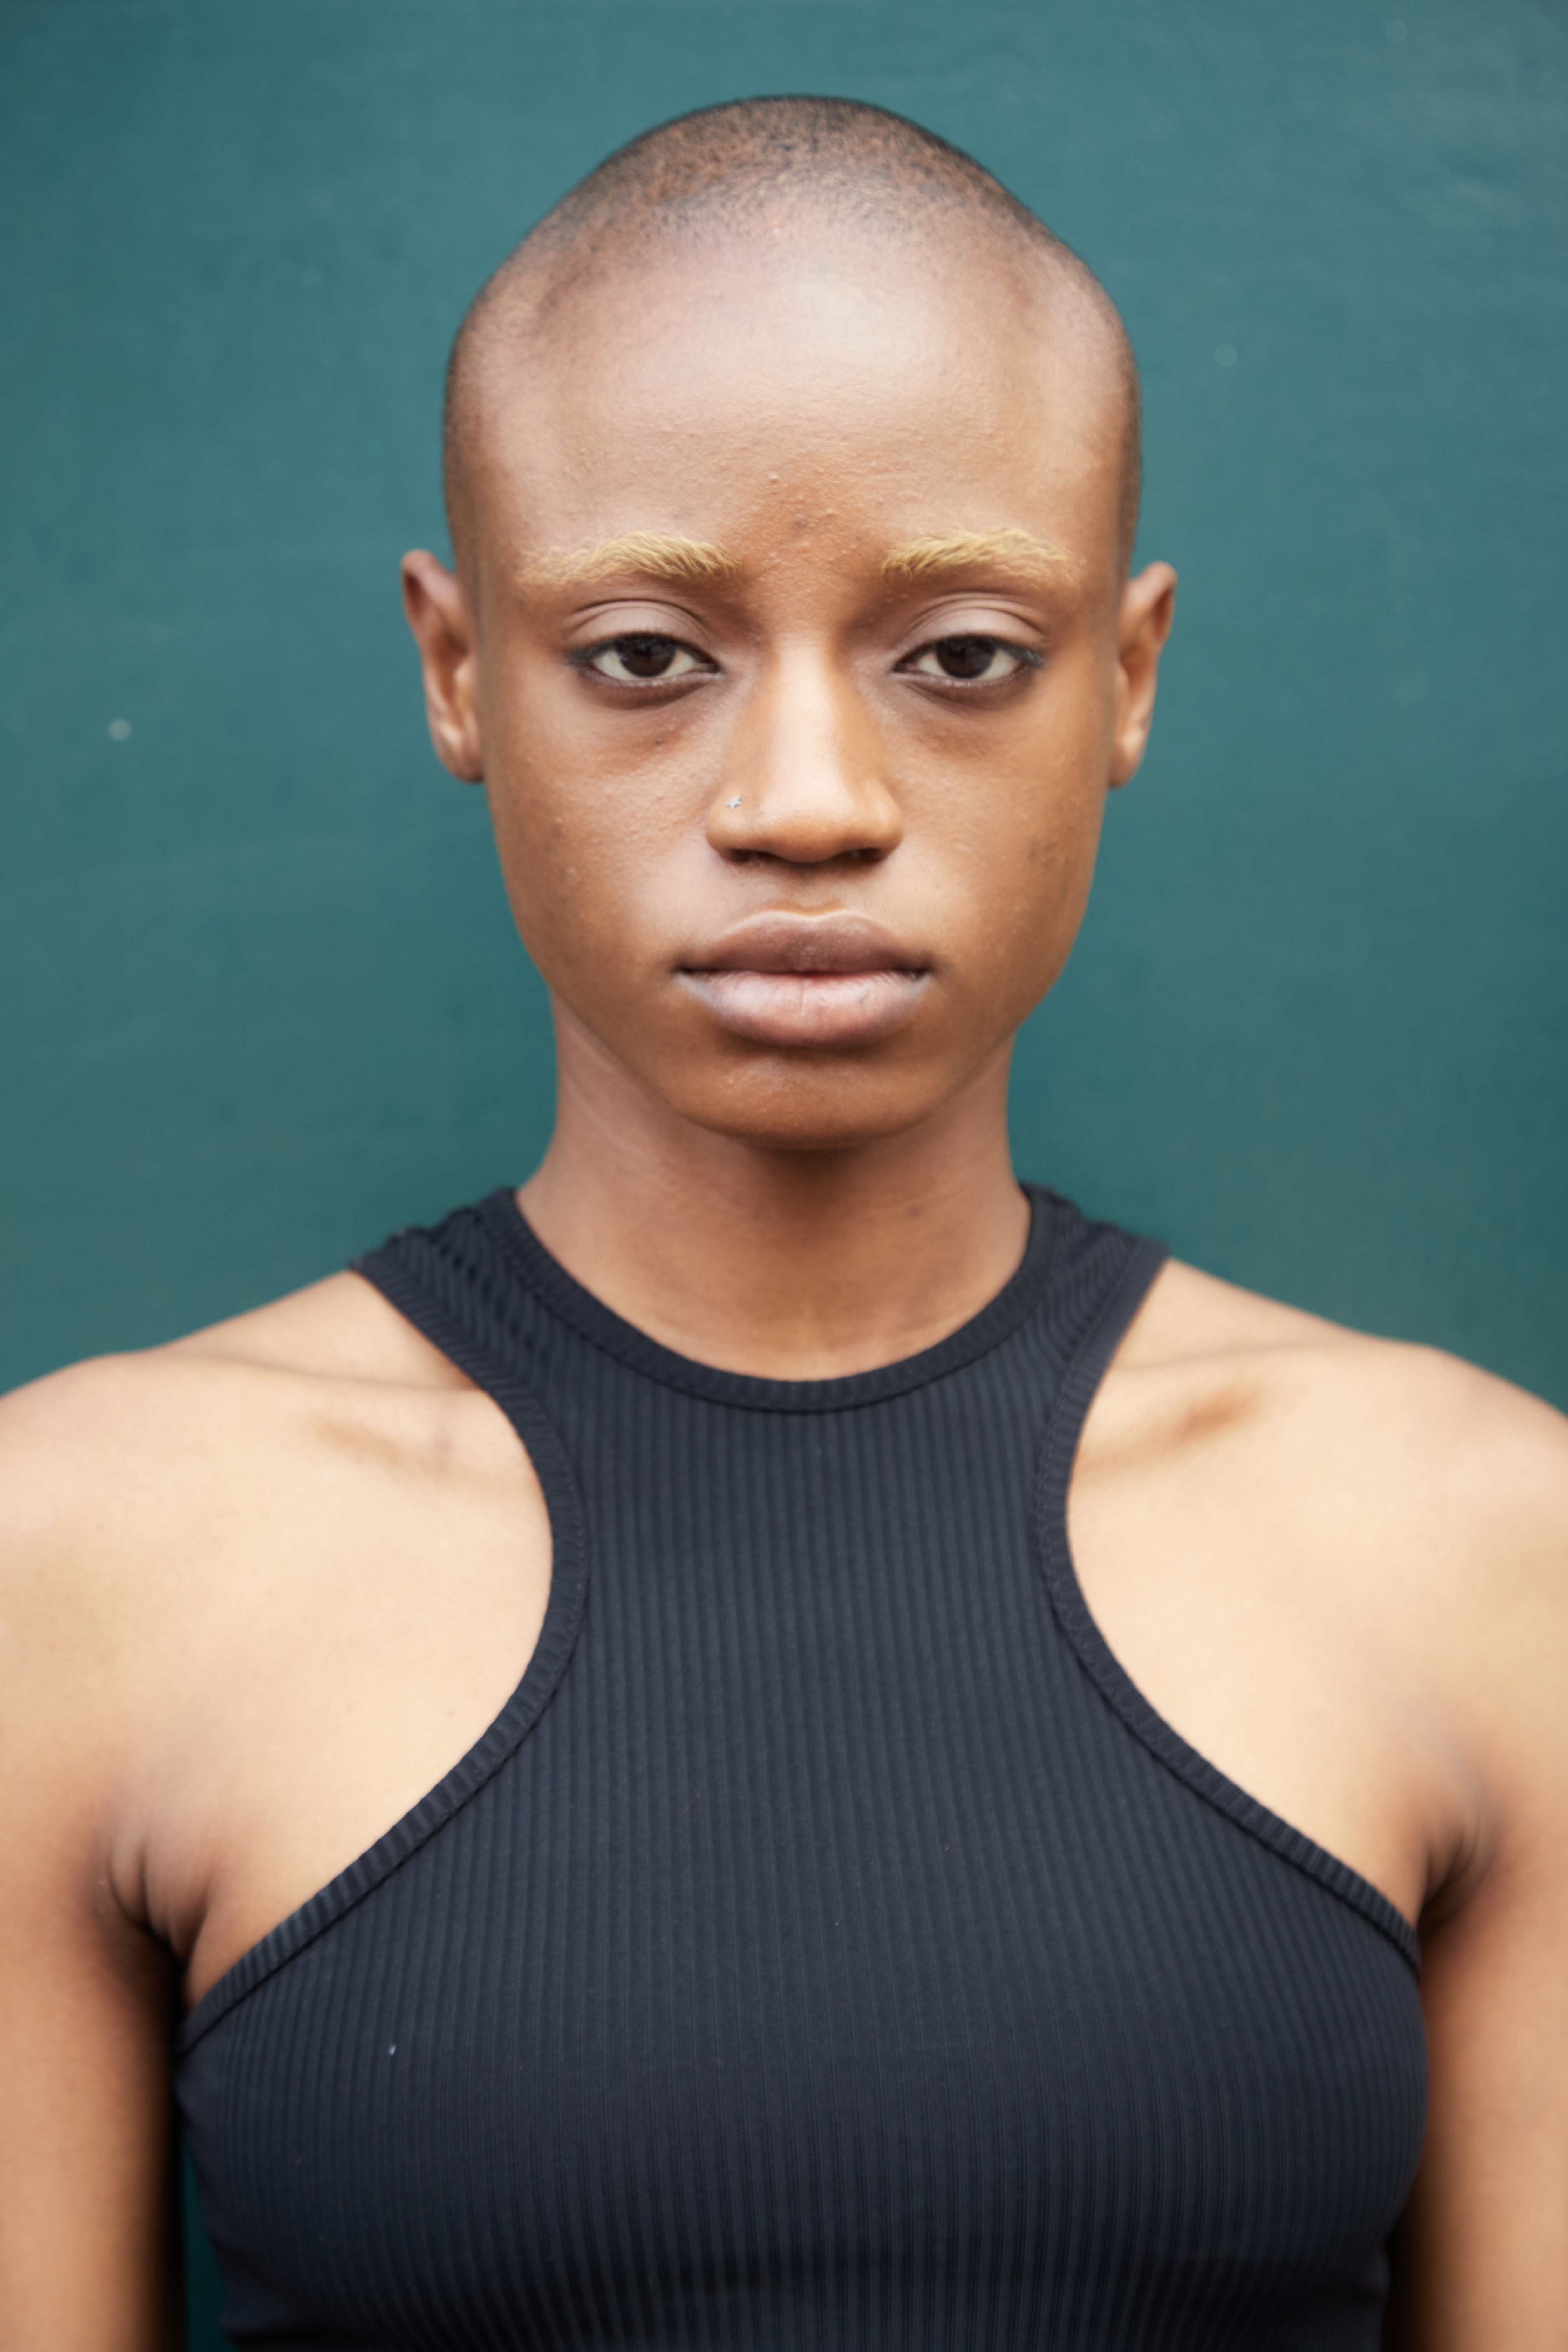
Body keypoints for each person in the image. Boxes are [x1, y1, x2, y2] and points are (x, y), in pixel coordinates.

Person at [2, 94, 1565, 2352]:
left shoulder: (1485, 1553)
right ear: (459, 669)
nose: (808, 804)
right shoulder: (74, 1567)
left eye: (963, 655)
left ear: (1125, 678)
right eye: (647, 653)